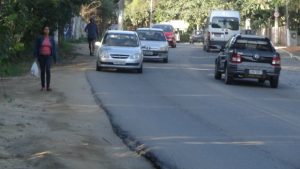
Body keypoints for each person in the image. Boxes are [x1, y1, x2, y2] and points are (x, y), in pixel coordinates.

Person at [34, 25, 57, 91]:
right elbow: (36, 47)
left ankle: (48, 86)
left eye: (48, 29)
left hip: (48, 56)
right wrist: (35, 56)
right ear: (43, 30)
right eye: (45, 29)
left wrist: (55, 58)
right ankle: (43, 86)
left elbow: (54, 49)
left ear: (49, 31)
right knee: (42, 71)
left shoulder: (51, 39)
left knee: (48, 70)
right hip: (41, 56)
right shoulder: (39, 38)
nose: (47, 30)